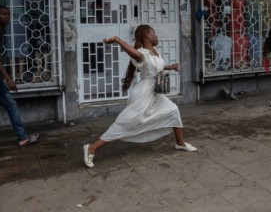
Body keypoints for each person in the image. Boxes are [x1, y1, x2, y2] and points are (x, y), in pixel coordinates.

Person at [83, 24, 197, 168]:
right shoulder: (141, 53)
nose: (157, 36)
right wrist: (117, 39)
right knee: (127, 121)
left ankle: (180, 143)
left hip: (155, 92)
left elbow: (155, 68)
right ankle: (92, 147)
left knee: (173, 110)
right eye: (154, 33)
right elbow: (134, 54)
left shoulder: (154, 52)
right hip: (143, 92)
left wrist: (171, 67)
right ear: (147, 34)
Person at [0, 5, 39, 155]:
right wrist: (9, 78)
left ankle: (22, 137)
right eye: (3, 14)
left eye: (9, 14)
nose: (7, 17)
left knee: (11, 105)